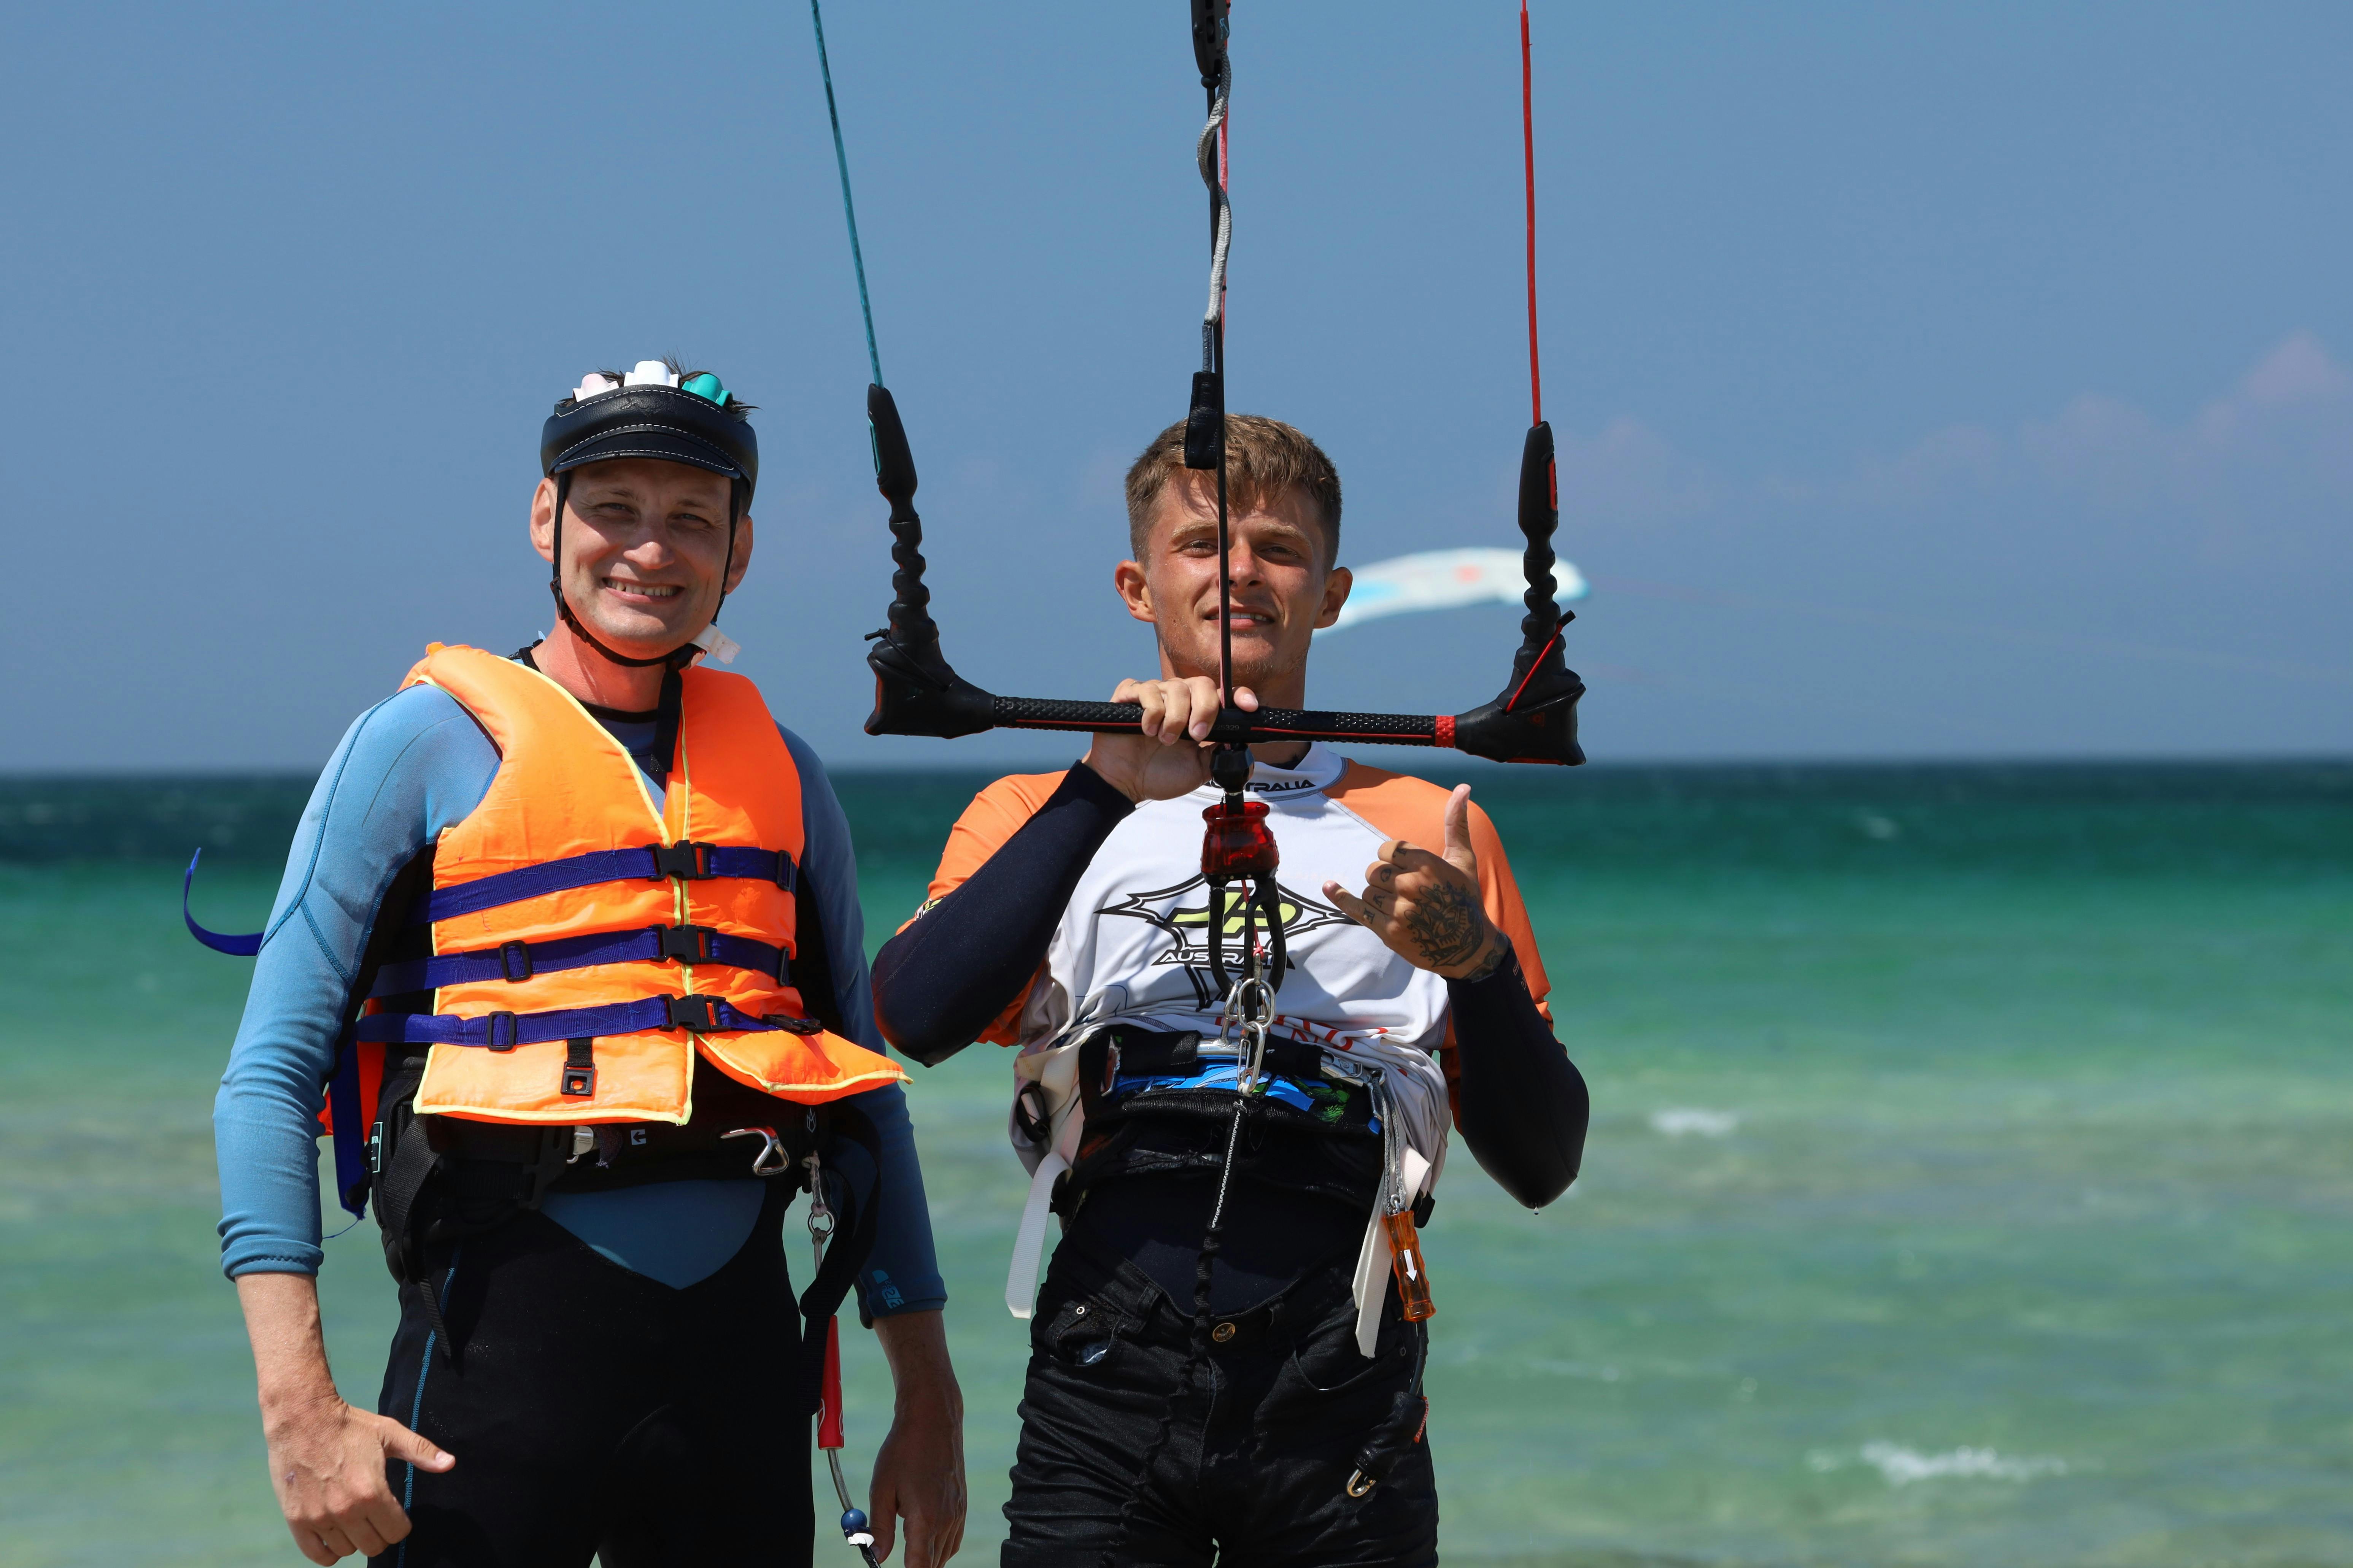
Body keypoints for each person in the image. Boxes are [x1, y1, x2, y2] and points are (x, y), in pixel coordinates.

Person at [211, 362, 965, 1568]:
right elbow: (267, 1075)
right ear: (544, 518)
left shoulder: (785, 774)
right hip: (501, 1336)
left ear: (742, 549)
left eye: (691, 519)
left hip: (739, 1356)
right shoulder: (416, 743)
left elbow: (861, 1087)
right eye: (612, 506)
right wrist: (297, 1405)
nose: (648, 550)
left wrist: (927, 1395)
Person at [870, 414, 1588, 1568]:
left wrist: (1478, 967)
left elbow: (1543, 1160)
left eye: (1279, 548)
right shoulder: (1038, 814)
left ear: (1335, 592)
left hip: (1341, 1387)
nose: (1241, 572)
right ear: (1135, 583)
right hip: (1107, 1374)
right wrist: (1103, 786)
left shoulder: (1434, 827)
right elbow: (912, 1015)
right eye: (1202, 543)